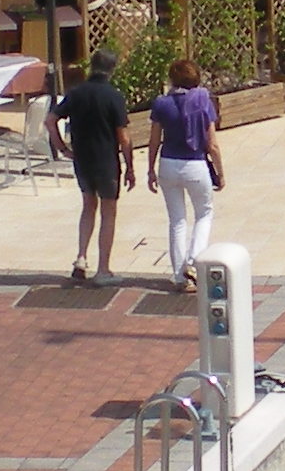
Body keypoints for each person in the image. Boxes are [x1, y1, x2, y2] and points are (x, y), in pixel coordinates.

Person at [51, 46, 131, 283]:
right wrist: (131, 166)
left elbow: (50, 120)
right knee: (108, 212)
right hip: (106, 161)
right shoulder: (113, 96)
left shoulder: (76, 93)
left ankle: (81, 257)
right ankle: (103, 269)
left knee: (88, 206)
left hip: (82, 160)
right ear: (112, 69)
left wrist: (63, 148)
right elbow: (123, 137)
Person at [145, 56, 225, 291]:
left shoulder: (161, 103)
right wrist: (220, 172)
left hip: (168, 163)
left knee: (177, 220)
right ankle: (193, 262)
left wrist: (150, 169)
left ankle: (180, 277)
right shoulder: (203, 102)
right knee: (204, 213)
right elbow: (212, 144)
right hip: (195, 164)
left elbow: (153, 140)